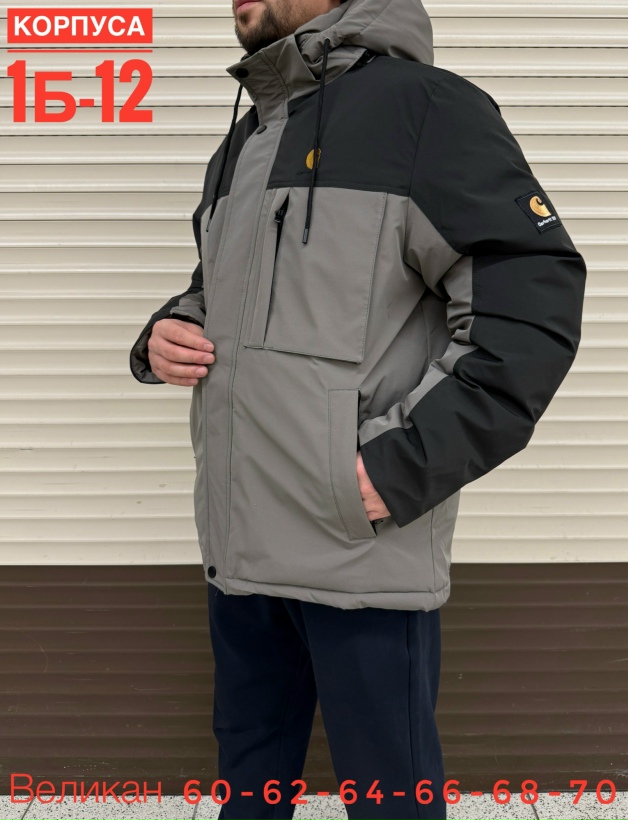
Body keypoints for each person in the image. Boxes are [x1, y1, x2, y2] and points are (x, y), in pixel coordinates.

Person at [129, 1, 587, 817]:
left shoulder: (426, 109)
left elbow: (530, 312)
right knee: (249, 784)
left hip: (357, 548)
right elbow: (221, 289)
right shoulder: (245, 138)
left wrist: (398, 466)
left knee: (389, 796)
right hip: (240, 545)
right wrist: (171, 328)